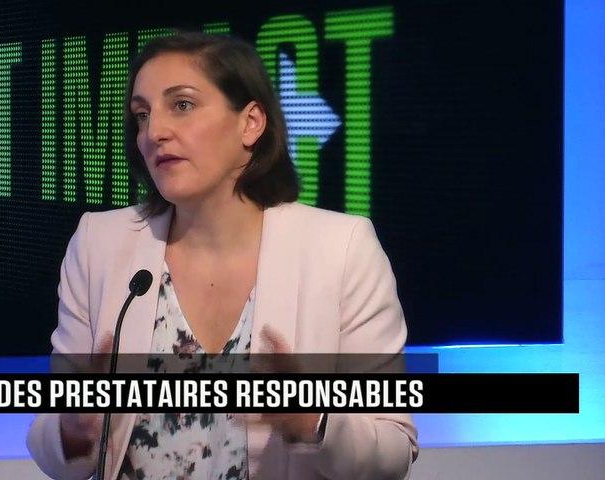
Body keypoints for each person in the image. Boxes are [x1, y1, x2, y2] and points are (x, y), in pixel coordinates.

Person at [27, 31, 418, 479]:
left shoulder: (342, 249)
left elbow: (393, 453)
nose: (154, 132)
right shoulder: (100, 244)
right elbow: (53, 450)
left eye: (182, 105)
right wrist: (75, 427)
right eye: (142, 115)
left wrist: (313, 419)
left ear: (251, 123)